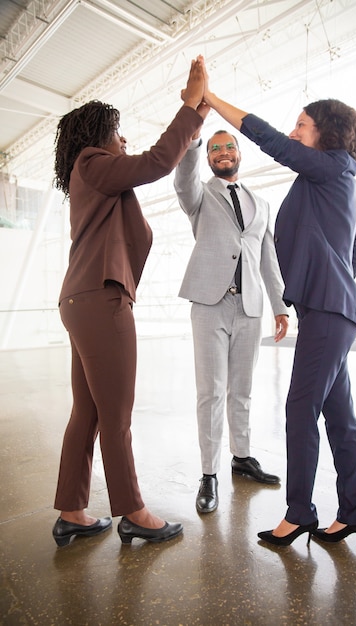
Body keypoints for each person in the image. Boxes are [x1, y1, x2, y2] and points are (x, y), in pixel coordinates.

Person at [199, 55, 356, 545]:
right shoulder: (332, 178)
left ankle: (299, 512)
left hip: (329, 311)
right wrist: (334, 278)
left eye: (302, 124)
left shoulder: (331, 166)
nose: (295, 132)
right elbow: (354, 244)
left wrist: (211, 101)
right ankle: (354, 510)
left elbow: (270, 141)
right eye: (295, 124)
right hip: (330, 308)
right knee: (339, 415)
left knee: (300, 407)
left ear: (326, 132)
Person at [51, 59, 205, 547]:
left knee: (89, 411)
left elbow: (147, 165)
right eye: (117, 131)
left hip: (82, 298)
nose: (124, 139)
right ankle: (134, 512)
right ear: (98, 135)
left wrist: (195, 108)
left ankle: (72, 512)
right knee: (115, 413)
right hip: (100, 298)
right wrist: (190, 108)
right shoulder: (94, 164)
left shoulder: (91, 176)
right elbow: (157, 162)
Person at [174, 100, 289, 514]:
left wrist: (280, 306)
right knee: (212, 393)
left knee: (242, 391)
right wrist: (193, 140)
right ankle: (209, 474)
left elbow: (268, 258)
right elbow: (184, 179)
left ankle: (242, 457)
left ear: (239, 155)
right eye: (215, 150)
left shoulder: (261, 204)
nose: (223, 153)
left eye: (230, 148)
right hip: (209, 305)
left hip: (251, 308)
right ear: (208, 157)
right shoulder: (200, 196)